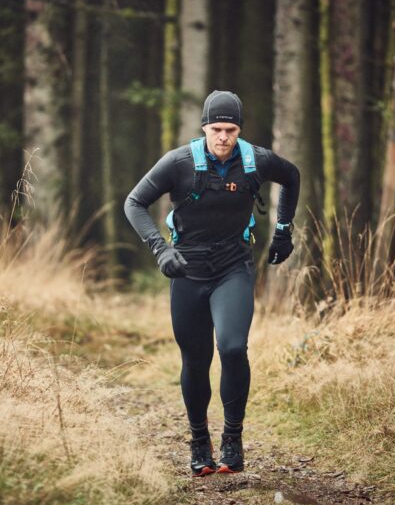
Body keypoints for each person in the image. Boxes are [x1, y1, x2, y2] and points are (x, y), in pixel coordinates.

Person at [124, 90, 300, 476]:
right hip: (187, 268)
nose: (223, 137)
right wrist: (160, 250)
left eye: (231, 129)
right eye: (216, 129)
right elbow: (134, 202)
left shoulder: (255, 162)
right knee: (196, 359)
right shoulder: (179, 163)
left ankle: (232, 440)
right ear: (204, 127)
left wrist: (283, 232)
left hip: (233, 265)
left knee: (233, 347)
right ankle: (199, 441)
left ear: (239, 130)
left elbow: (291, 177)